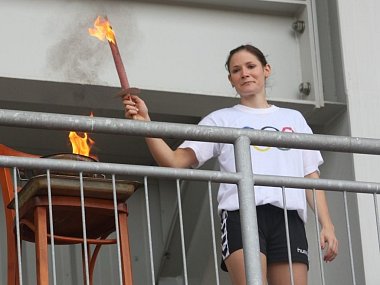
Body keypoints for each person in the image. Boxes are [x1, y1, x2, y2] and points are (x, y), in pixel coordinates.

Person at [121, 44, 338, 285]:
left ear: (266, 70)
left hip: (289, 218)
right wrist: (145, 124)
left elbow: (310, 175)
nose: (244, 73)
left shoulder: (293, 118)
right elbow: (175, 161)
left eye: (251, 66)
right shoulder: (221, 119)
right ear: (230, 79)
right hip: (241, 214)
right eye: (236, 70)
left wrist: (326, 224)